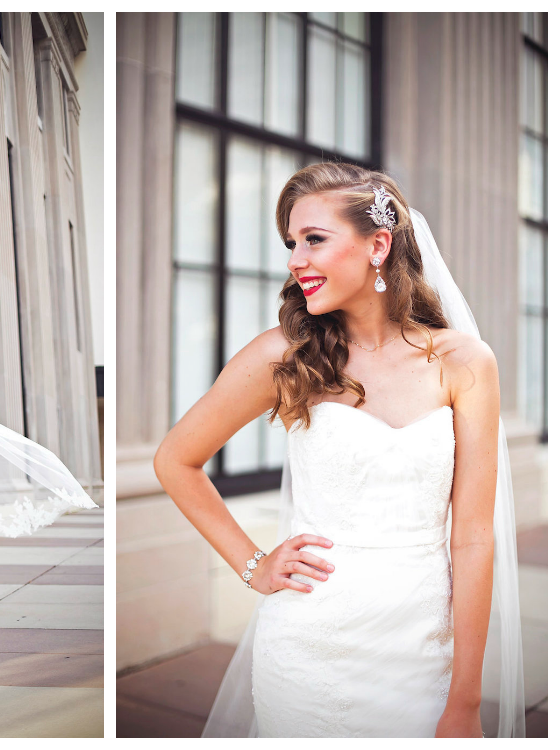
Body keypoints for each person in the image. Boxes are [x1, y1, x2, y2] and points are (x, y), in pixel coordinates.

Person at [154, 162, 523, 737]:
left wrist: (466, 701)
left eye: (314, 240)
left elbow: (473, 536)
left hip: (422, 644)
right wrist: (253, 566)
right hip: (309, 645)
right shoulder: (283, 355)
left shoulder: (465, 362)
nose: (295, 260)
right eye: (291, 243)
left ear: (378, 245)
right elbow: (175, 459)